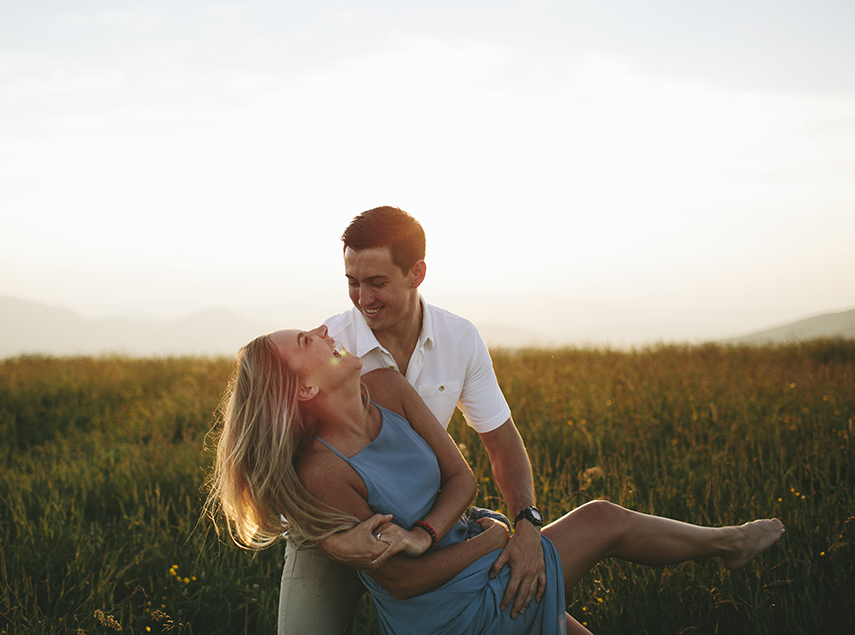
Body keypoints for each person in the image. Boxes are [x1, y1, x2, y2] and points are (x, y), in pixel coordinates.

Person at [205, 325, 785, 635]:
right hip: (446, 613)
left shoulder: (383, 384)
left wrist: (436, 532)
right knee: (603, 518)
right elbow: (404, 585)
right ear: (305, 389)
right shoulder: (324, 470)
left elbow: (463, 477)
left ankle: (728, 544)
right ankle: (729, 544)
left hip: (464, 556)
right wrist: (494, 538)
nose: (321, 329)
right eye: (306, 341)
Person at [279, 206, 549, 634]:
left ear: (417, 273)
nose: (363, 298)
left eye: (377, 283)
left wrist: (526, 526)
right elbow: (279, 460)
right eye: (352, 282)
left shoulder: (459, 338)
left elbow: (500, 442)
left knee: (535, 616)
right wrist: (334, 540)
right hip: (331, 534)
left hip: (428, 523)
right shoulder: (332, 347)